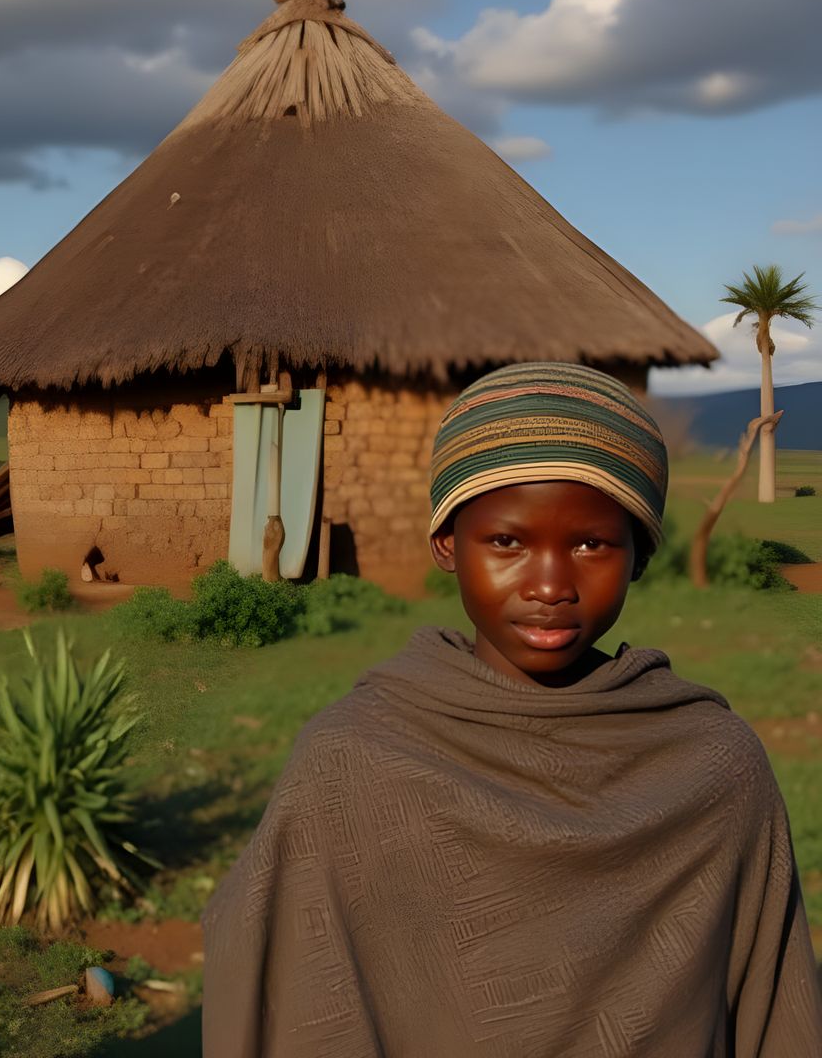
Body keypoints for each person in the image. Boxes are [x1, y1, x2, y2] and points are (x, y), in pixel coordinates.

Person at [202, 362, 822, 1055]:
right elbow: (288, 983)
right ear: (447, 544)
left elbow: (776, 1011)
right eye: (507, 542)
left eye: (590, 544)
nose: (550, 585)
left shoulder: (714, 769)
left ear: (639, 555)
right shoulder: (352, 763)